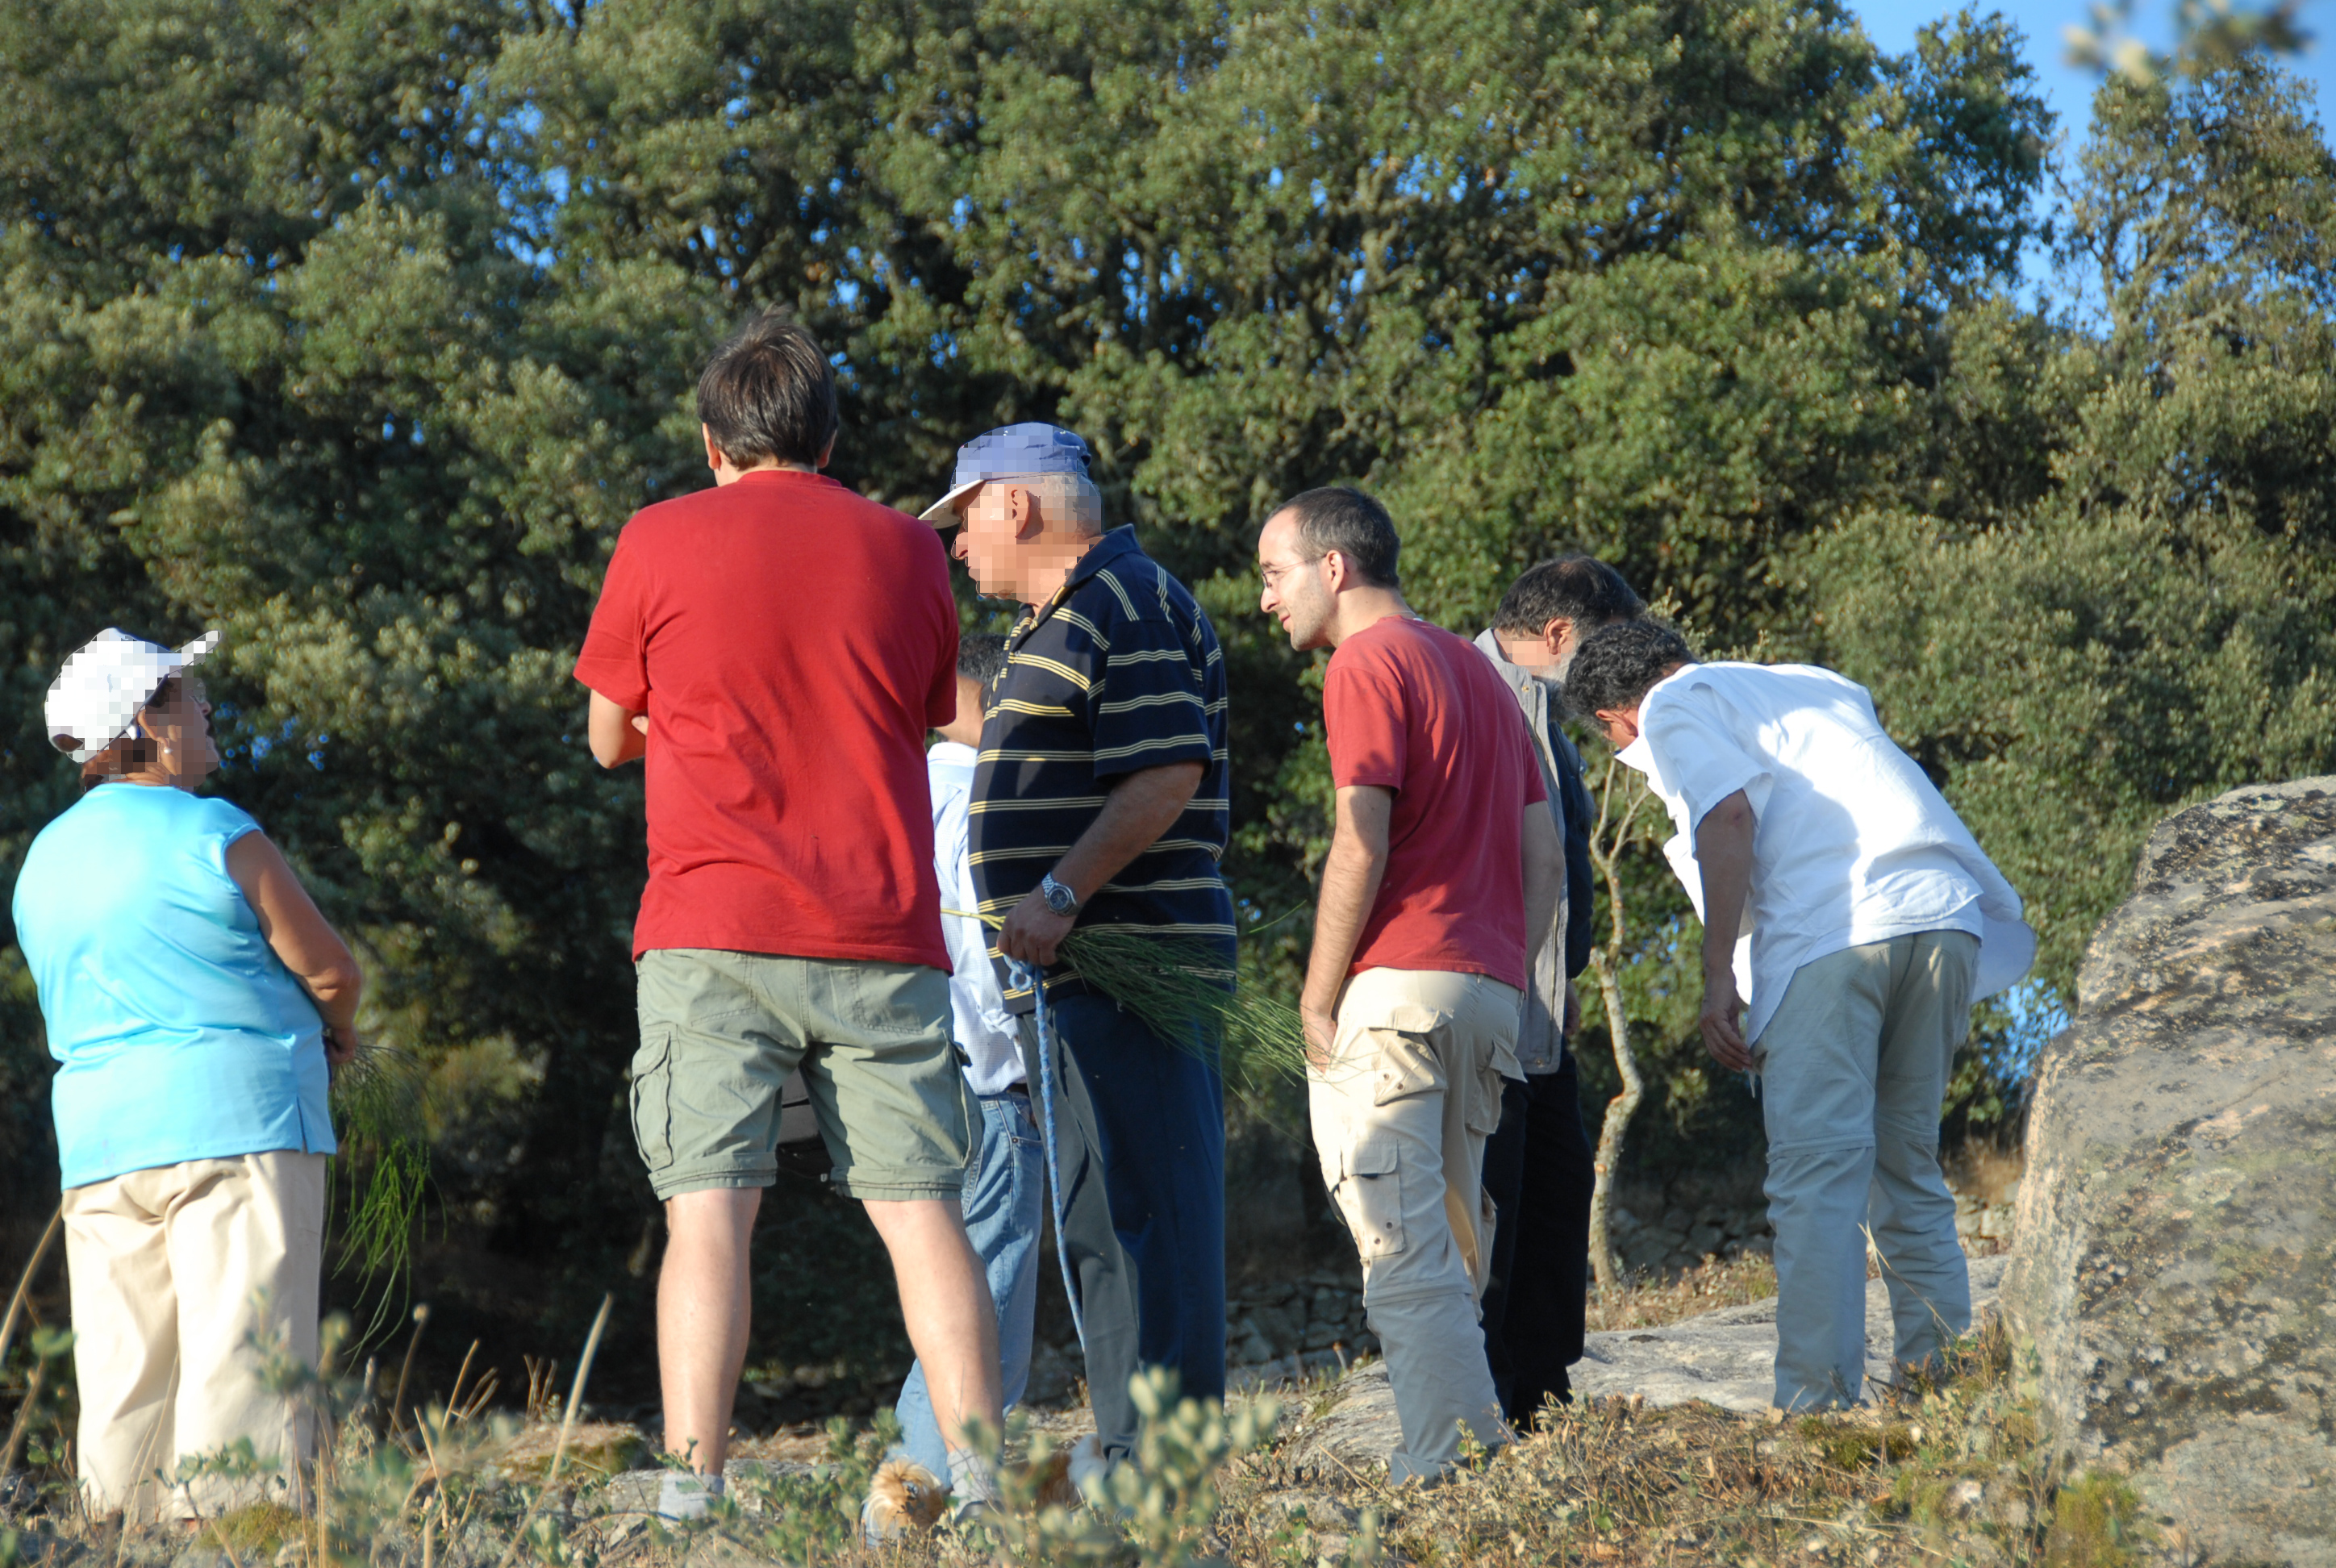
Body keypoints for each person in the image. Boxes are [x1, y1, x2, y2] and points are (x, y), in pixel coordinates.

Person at [574, 311, 1003, 1520]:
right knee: (923, 1211)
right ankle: (980, 1481)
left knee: (709, 1208)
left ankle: (695, 1489)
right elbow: (927, 712)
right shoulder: (908, 553)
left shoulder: (656, 538)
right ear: (829, 437)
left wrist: (685, 719)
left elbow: (610, 735)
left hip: (711, 924)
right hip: (879, 927)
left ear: (715, 443)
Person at [1565, 619, 2034, 1410]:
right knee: (1905, 1164)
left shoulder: (1674, 705)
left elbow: (1728, 819)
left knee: (1816, 1178)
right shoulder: (1811, 682)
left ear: (1619, 717)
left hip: (1834, 937)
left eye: (1615, 742)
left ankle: (1815, 1410)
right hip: (1942, 919)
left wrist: (1718, 978)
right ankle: (1942, 1391)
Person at [924, 422, 1233, 1480]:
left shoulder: (1124, 603)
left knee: (1154, 1226)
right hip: (1072, 979)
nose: (960, 550)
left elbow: (1165, 774)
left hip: (1127, 967)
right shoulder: (1055, 621)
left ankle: (1164, 1483)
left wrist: (1058, 894)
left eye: (963, 519)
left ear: (1014, 504)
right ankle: (1130, 1461)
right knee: (1109, 1230)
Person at [12, 628, 361, 1523]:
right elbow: (330, 973)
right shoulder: (218, 830)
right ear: (147, 721)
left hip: (99, 1145)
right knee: (244, 1354)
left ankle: (115, 1533)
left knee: (125, 1368)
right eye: (189, 697)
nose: (207, 712)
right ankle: (235, 1537)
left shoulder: (40, 862)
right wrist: (340, 1034)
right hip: (239, 1125)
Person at [1256, 487, 1563, 1483]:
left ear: (1332, 569)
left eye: (1273, 574)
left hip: (1395, 995)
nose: (1266, 600)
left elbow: (1360, 835)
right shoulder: (1480, 676)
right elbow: (1546, 856)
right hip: (1485, 997)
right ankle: (1470, 1451)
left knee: (1401, 1252)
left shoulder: (1364, 662)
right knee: (1453, 1248)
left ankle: (1451, 1471)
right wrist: (1506, 972)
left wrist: (1315, 995)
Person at [866, 632, 1045, 1541]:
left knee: (962, 1296)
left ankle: (925, 1507)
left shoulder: (894, 793)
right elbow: (983, 952)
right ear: (983, 696)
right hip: (985, 1082)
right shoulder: (979, 796)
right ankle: (904, 1514)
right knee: (983, 1301)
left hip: (901, 1079)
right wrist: (1026, 1053)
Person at [1470, 556, 1644, 1424]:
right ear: (1557, 636)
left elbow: (1561, 858)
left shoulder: (1540, 706)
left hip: (1542, 1003)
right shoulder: (1470, 691)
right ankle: (1487, 1407)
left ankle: (1543, 1393)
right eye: (1609, 651)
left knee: (1554, 1187)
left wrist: (1563, 973)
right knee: (1493, 1202)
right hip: (1488, 1002)